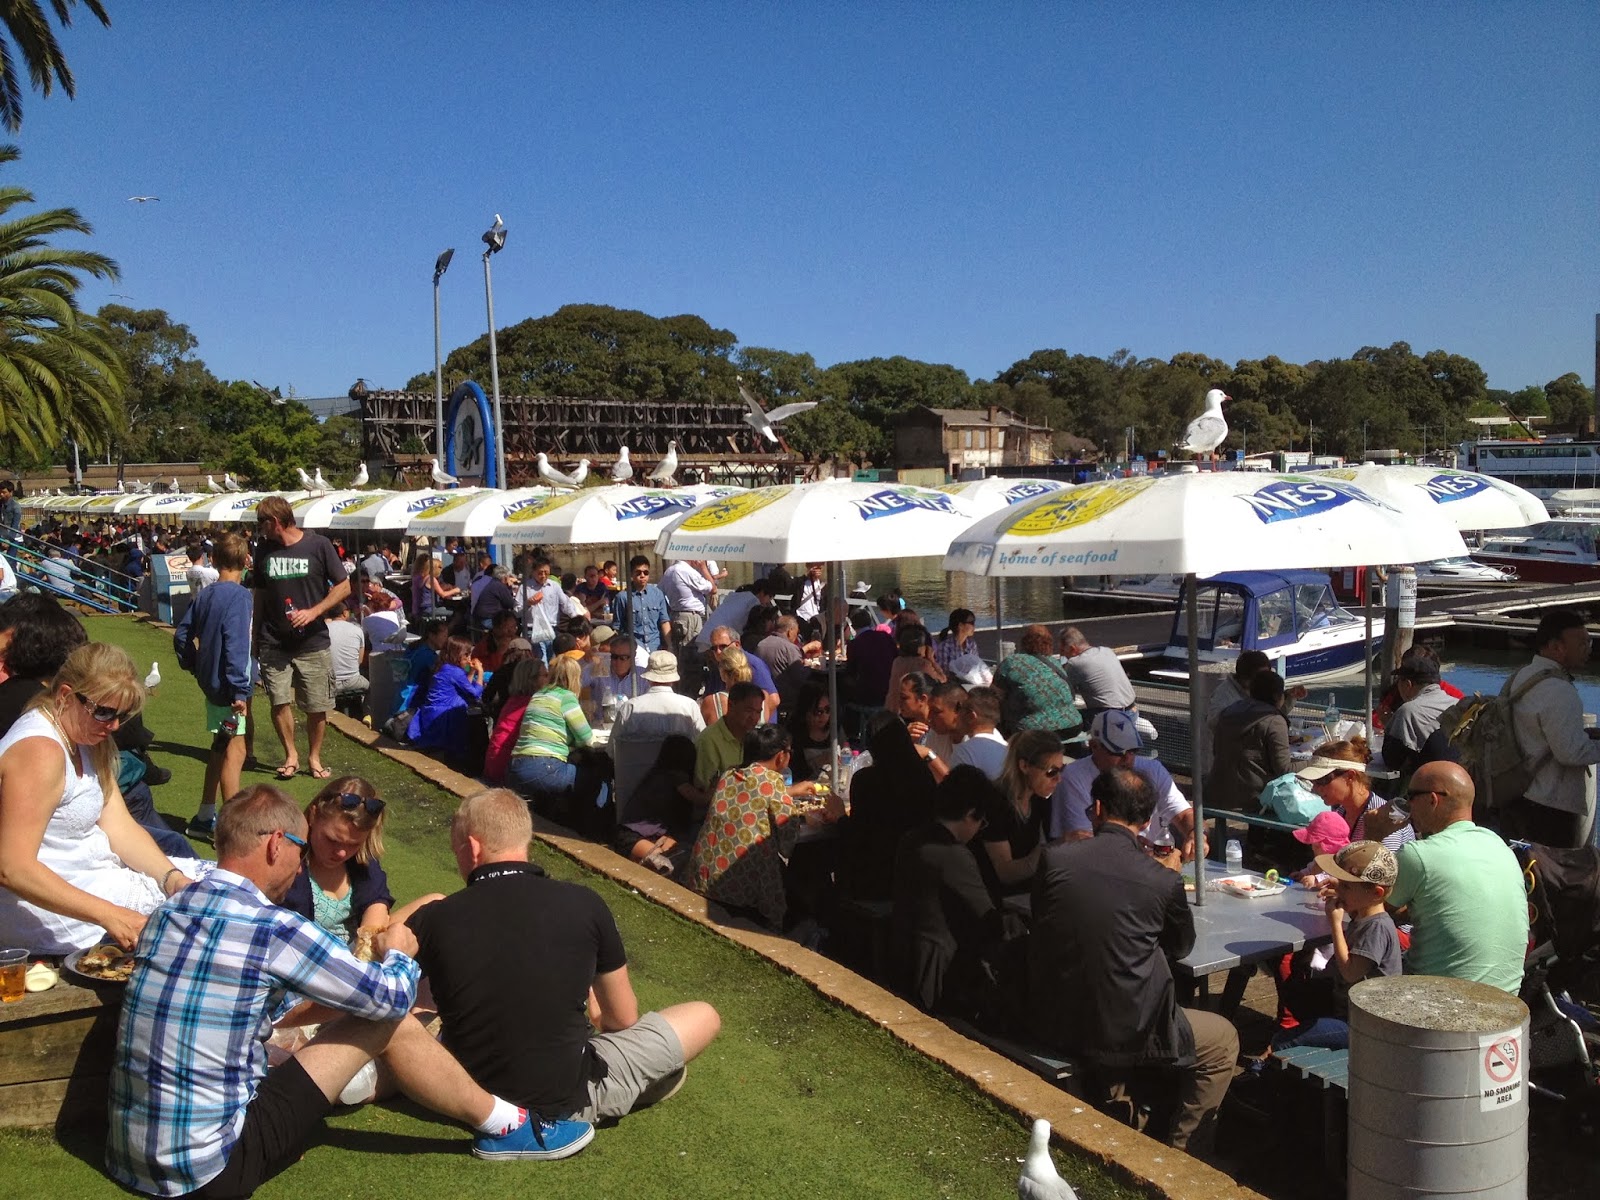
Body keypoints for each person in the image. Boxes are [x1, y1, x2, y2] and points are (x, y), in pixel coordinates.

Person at [108, 786, 592, 1198]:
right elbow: (389, 1000)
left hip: (126, 1155)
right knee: (388, 1021)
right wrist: (398, 952)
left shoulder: (168, 913)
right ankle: (509, 1124)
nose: (301, 865)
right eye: (300, 847)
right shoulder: (272, 927)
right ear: (277, 843)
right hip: (207, 1174)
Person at [399, 787, 720, 1129]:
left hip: (465, 1093)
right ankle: (628, 1086)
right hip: (566, 1097)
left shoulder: (434, 917)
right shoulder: (585, 903)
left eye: (457, 851)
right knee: (704, 1015)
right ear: (525, 842)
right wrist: (594, 1011)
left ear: (474, 847)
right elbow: (622, 1020)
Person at [1029, 767, 1238, 1154]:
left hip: (1056, 1010)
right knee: (1223, 1039)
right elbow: (1180, 947)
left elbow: (1044, 918)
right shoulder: (1160, 880)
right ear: (1146, 822)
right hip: (1125, 1028)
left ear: (1096, 808)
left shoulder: (1055, 859)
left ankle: (1147, 1107)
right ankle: (1184, 1154)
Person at [0, 643, 206, 954]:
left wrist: (170, 878)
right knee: (209, 921)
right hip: (48, 906)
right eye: (104, 711)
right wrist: (112, 915)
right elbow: (12, 867)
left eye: (122, 716)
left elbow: (119, 827)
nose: (112, 726)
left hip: (94, 881)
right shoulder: (40, 752)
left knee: (220, 890)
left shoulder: (84, 736)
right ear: (66, 695)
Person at [1388, 760, 1529, 993]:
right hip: (1506, 1006)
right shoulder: (1498, 845)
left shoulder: (1419, 854)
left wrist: (1373, 836)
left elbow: (1366, 908)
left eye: (1410, 796)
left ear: (1432, 800)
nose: (1408, 806)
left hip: (1436, 1008)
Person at [686, 724, 839, 928]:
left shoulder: (729, 776)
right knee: (806, 866)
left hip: (703, 874)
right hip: (739, 884)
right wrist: (807, 818)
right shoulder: (773, 782)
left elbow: (754, 795)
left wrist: (790, 792)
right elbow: (788, 840)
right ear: (780, 756)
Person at [891, 765, 1013, 1017]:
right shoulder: (954, 855)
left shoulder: (912, 838)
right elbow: (987, 918)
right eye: (982, 821)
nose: (980, 829)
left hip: (903, 951)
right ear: (970, 815)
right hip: (937, 966)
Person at [1268, 841, 1402, 1055]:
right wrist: (1340, 888)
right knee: (1294, 990)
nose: (1339, 888)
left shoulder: (1377, 928)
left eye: (1346, 886)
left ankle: (1266, 1071)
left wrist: (1336, 924)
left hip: (1364, 1025)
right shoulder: (1365, 914)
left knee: (1284, 1041)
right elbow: (1358, 901)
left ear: (1376, 893)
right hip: (1347, 1008)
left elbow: (1350, 972)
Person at [253, 495, 351, 781]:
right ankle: (291, 754)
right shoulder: (263, 550)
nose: (259, 529)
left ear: (274, 522)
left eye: (262, 523)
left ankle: (314, 757)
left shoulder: (318, 545)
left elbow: (344, 587)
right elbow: (259, 593)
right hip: (273, 639)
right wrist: (254, 635)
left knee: (317, 704)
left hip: (312, 640)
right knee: (279, 701)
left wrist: (314, 612)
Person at [173, 532, 255, 841]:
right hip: (228, 687)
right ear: (245, 561)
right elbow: (236, 644)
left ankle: (206, 814)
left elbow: (181, 635)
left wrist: (194, 664)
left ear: (214, 559)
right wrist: (238, 689)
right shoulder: (240, 596)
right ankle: (232, 830)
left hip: (212, 682)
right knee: (235, 751)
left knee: (220, 746)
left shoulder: (206, 594)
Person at [1502, 608, 1600, 848]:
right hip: (1550, 804)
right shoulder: (1559, 690)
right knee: (1554, 878)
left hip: (1515, 792)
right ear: (1557, 647)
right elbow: (1570, 753)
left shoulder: (1521, 676)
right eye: (1582, 643)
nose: (1588, 649)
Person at [1050, 711, 1200, 861]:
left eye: (1132, 750)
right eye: (1118, 752)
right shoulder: (1073, 776)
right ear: (1094, 746)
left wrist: (1195, 833)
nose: (1127, 758)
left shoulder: (1153, 769)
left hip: (1148, 862)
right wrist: (1132, 847)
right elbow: (1082, 839)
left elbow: (1184, 814)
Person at [282, 776, 398, 944]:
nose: (342, 853)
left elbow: (377, 900)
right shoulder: (290, 861)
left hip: (356, 953)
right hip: (308, 955)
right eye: (332, 840)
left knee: (434, 902)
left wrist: (364, 949)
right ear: (313, 816)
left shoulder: (361, 857)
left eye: (353, 844)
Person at [841, 712, 938, 902]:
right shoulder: (924, 777)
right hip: (916, 875)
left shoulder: (867, 780)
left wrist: (839, 816)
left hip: (875, 878)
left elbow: (856, 834)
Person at [507, 656, 605, 826]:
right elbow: (586, 738)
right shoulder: (566, 697)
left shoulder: (539, 695)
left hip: (517, 766)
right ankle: (596, 830)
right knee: (598, 780)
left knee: (574, 774)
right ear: (574, 678)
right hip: (544, 767)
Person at [610, 651, 705, 812]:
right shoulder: (689, 707)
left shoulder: (630, 707)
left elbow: (612, 751)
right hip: (678, 796)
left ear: (648, 677)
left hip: (634, 792)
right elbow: (701, 745)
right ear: (674, 679)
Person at [978, 729, 1062, 898]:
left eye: (1061, 770)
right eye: (1051, 772)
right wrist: (1053, 848)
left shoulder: (1039, 798)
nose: (1058, 779)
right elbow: (1005, 873)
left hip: (1027, 892)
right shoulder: (995, 802)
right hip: (999, 898)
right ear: (1024, 766)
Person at [1296, 738, 1414, 854]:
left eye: (1322, 780)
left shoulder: (1386, 817)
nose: (1315, 788)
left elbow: (1382, 869)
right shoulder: (1340, 812)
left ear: (1350, 776)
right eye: (1313, 781)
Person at [614, 735, 706, 875]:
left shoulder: (656, 775)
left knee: (677, 859)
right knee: (669, 864)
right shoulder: (675, 778)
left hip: (647, 837)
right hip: (633, 838)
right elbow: (699, 799)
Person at [1208, 669, 1293, 812]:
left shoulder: (1230, 711)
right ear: (1277, 696)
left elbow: (1216, 749)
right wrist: (1317, 762)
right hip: (1254, 798)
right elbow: (1285, 769)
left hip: (1218, 790)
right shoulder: (1275, 721)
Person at [993, 625, 1082, 740]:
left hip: (1034, 728)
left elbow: (994, 695)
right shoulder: (1054, 662)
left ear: (1024, 642)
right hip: (1072, 725)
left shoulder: (1011, 662)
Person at [406, 635, 484, 762]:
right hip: (446, 717)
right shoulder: (455, 672)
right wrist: (480, 672)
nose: (469, 659)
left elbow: (464, 688)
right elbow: (474, 694)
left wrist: (471, 672)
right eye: (467, 655)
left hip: (431, 712)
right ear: (457, 655)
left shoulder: (443, 667)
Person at [1381, 654, 1457, 777]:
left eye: (1398, 681)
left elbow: (1392, 760)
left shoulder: (1409, 711)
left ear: (1407, 684)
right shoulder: (1456, 704)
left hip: (1429, 783)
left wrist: (1388, 725)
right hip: (1461, 779)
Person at [694, 680, 766, 792]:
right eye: (749, 710)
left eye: (758, 712)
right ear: (731, 705)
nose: (754, 717)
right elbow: (702, 789)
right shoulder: (708, 741)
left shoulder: (755, 738)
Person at [1058, 626, 1138, 723]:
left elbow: (1065, 693)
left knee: (1066, 720)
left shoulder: (1074, 663)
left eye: (1062, 651)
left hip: (1110, 716)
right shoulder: (1106, 651)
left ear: (1072, 648)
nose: (1062, 655)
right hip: (1132, 711)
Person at [702, 627, 779, 722]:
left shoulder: (753, 664)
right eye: (714, 648)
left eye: (723, 646)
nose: (718, 652)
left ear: (737, 644)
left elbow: (774, 700)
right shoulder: (716, 667)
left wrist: (755, 723)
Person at [611, 555, 672, 655]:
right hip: (634, 648)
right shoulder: (622, 597)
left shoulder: (658, 594)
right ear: (631, 574)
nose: (642, 576)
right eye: (638, 572)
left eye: (646, 573)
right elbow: (617, 628)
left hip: (655, 647)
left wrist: (670, 645)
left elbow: (664, 621)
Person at [695, 575, 775, 649]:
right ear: (762, 592)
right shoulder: (753, 601)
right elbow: (754, 627)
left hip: (705, 636)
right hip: (717, 642)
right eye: (770, 597)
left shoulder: (734, 596)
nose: (768, 602)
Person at [756, 614, 818, 707]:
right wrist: (810, 668)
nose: (796, 637)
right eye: (796, 633)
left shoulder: (761, 644)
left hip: (763, 692)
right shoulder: (789, 648)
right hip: (785, 695)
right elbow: (800, 678)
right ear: (790, 631)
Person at [884, 623, 946, 711]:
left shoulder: (897, 661)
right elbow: (942, 681)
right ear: (921, 648)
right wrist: (931, 659)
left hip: (892, 708)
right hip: (910, 712)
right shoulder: (923, 664)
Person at [588, 631, 645, 724]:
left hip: (633, 727)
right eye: (614, 657)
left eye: (623, 658)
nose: (618, 662)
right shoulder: (600, 671)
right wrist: (587, 662)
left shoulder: (642, 677)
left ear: (633, 656)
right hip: (601, 726)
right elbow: (577, 682)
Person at [784, 683, 834, 783]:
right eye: (818, 711)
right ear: (806, 711)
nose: (824, 716)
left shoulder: (835, 730)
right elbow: (794, 773)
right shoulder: (793, 735)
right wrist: (819, 761)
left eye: (827, 710)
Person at [517, 555, 566, 655]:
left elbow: (566, 604)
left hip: (552, 629)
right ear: (533, 572)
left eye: (546, 573)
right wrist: (528, 603)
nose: (543, 576)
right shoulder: (525, 588)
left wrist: (578, 615)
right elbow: (517, 611)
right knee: (541, 662)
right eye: (540, 573)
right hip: (533, 631)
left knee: (553, 660)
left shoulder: (554, 586)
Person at [661, 558, 716, 642]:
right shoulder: (688, 571)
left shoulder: (669, 571)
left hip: (675, 615)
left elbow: (659, 592)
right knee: (691, 649)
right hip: (690, 618)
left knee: (679, 650)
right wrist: (703, 567)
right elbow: (713, 589)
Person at [922, 680, 968, 770]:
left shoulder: (976, 742)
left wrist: (929, 756)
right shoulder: (936, 733)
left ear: (959, 711)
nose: (929, 717)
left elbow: (959, 783)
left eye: (936, 711)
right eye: (929, 710)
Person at [931, 608, 981, 680]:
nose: (974, 626)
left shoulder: (972, 644)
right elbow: (943, 671)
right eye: (971, 623)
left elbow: (977, 665)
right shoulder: (945, 646)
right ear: (960, 625)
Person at [412, 553, 461, 622]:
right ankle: (447, 630)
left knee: (444, 608)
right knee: (456, 614)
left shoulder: (424, 577)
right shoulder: (432, 579)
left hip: (422, 608)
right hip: (430, 609)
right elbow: (443, 594)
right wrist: (455, 590)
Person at [471, 563, 519, 632]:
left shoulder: (491, 583)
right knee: (515, 625)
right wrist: (509, 587)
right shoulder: (499, 586)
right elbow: (510, 604)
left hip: (479, 618)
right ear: (505, 577)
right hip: (489, 620)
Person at [473, 609, 522, 674]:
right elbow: (495, 670)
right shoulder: (483, 646)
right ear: (496, 628)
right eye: (506, 628)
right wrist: (500, 652)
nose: (511, 631)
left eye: (514, 627)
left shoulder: (518, 642)